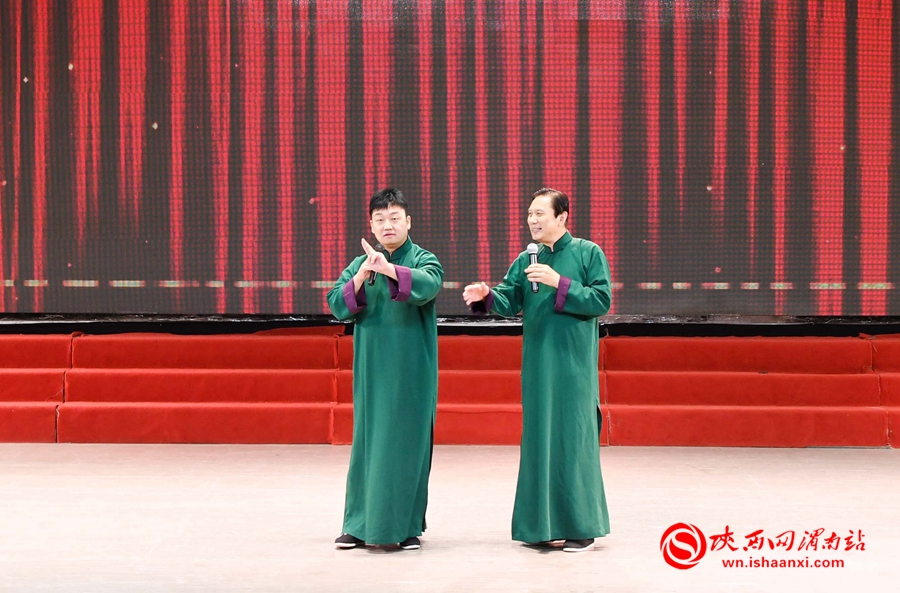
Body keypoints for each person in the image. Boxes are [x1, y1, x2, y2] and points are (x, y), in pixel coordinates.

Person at [462, 187, 611, 552]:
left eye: (540, 213)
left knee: (572, 441)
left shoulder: (588, 252)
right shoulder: (526, 259)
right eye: (530, 213)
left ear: (562, 217)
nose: (532, 220)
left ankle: (581, 528)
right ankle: (539, 527)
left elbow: (601, 300)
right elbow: (509, 298)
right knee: (538, 443)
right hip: (537, 367)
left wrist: (559, 282)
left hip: (573, 367)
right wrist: (486, 296)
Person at [327, 188, 444, 550]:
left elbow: (428, 285)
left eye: (394, 218)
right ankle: (358, 524)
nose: (387, 225)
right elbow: (336, 303)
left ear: (408, 222)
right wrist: (362, 276)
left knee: (408, 445)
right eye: (380, 219)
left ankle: (405, 527)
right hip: (372, 372)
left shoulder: (424, 259)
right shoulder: (360, 264)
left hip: (412, 372)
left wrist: (388, 269)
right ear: (372, 225)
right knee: (367, 444)